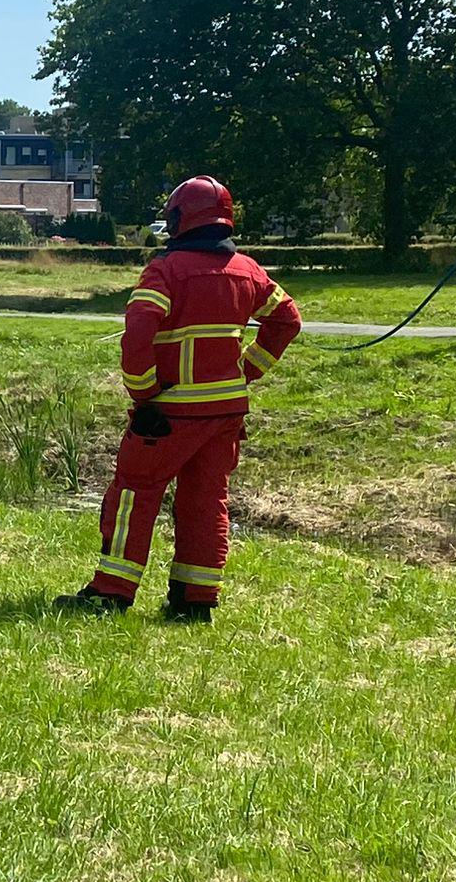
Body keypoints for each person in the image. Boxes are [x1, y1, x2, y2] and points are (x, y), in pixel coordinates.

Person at [56, 176, 302, 623]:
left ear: (177, 218)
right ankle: (195, 600)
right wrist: (246, 371)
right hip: (225, 412)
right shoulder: (249, 271)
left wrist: (144, 391)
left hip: (169, 412)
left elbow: (138, 334)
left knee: (134, 493)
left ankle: (112, 592)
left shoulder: (165, 271)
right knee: (207, 502)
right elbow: (287, 320)